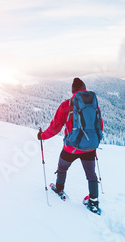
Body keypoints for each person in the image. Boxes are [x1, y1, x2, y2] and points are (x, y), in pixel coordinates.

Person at [37, 78, 104, 212]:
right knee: (91, 174)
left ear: (73, 91)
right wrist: (92, 142)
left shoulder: (66, 105)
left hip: (71, 148)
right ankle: (93, 202)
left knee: (62, 167)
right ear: (84, 89)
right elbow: (99, 126)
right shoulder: (94, 105)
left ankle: (59, 188)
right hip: (90, 147)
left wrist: (42, 136)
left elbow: (55, 127)